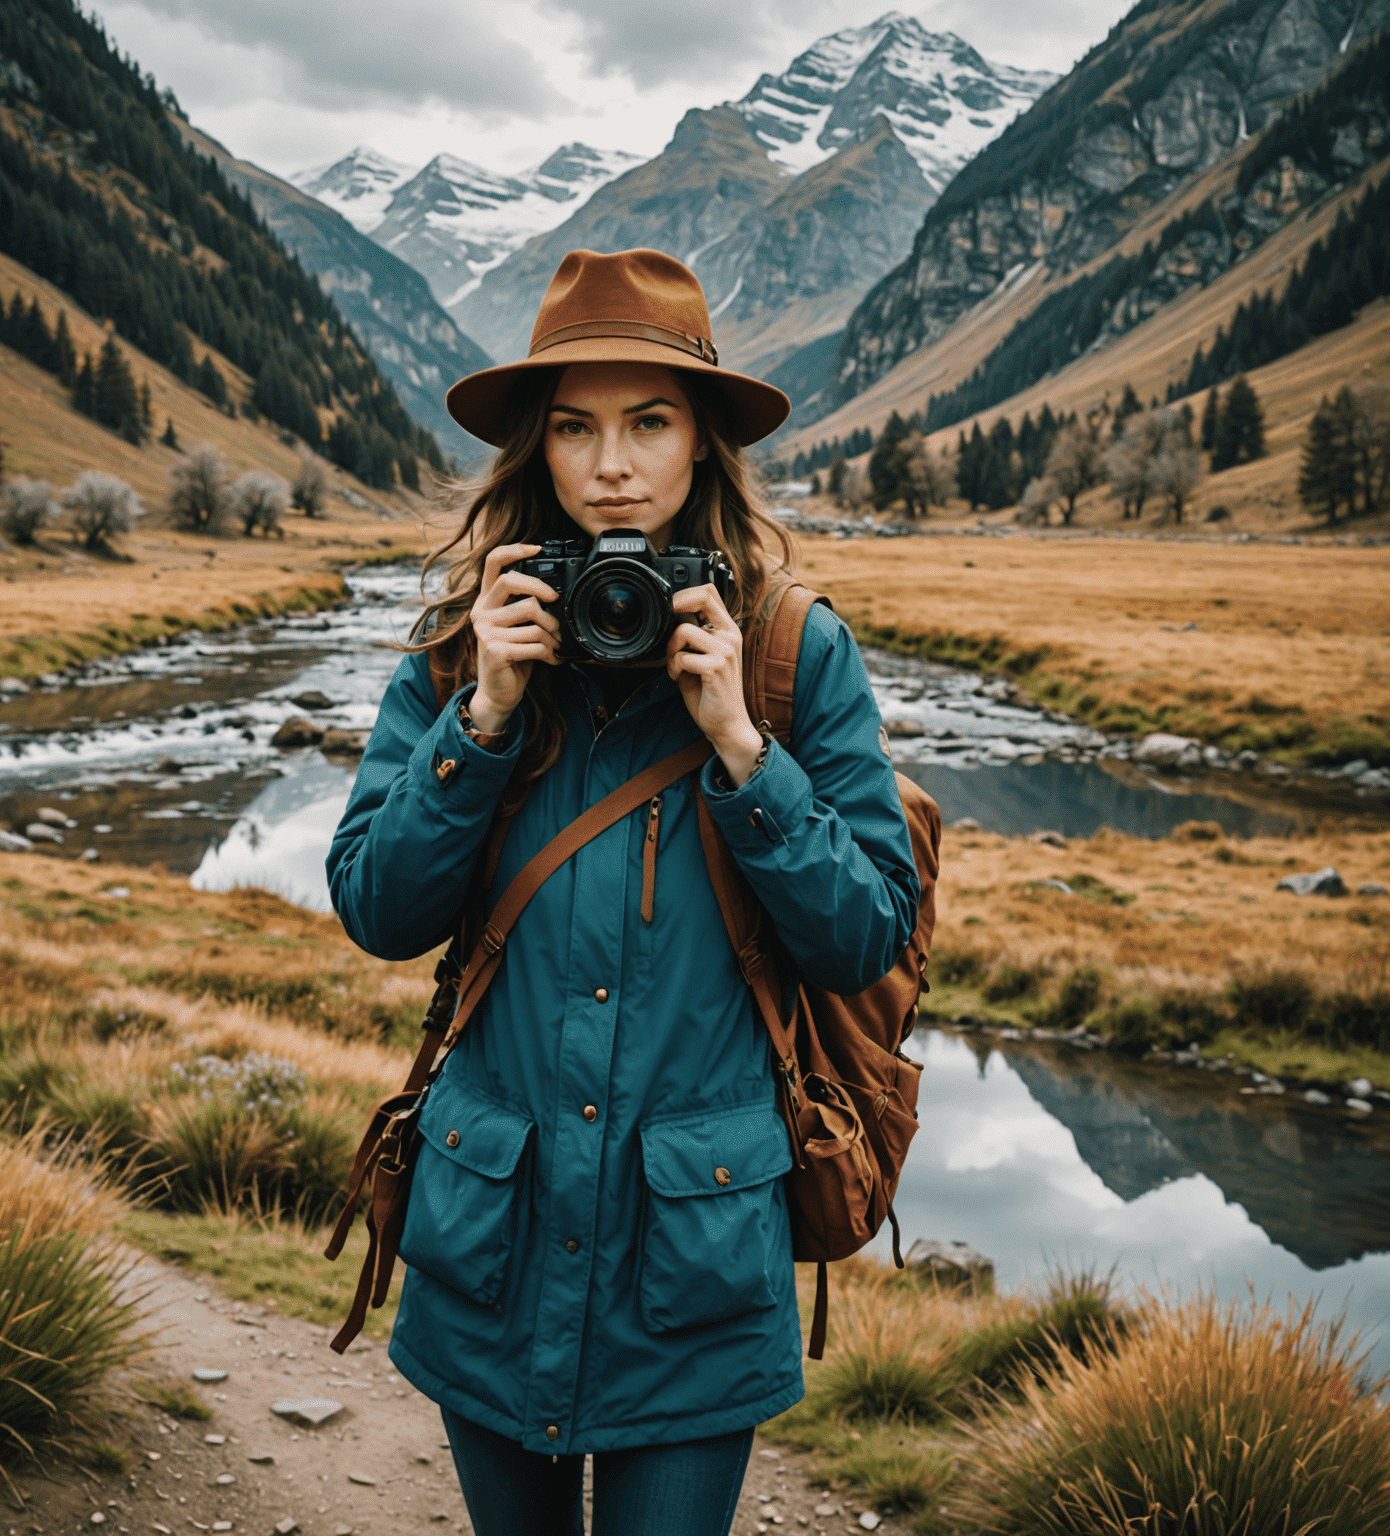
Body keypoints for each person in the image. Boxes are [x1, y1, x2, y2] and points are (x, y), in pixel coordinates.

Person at [326, 248, 919, 1536]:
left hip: (694, 1274)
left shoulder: (786, 652)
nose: (611, 466)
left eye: (649, 422)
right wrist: (481, 720)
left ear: (704, 444)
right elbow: (377, 908)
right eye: (574, 427)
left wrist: (746, 757)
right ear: (533, 452)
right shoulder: (460, 650)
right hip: (493, 1241)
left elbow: (870, 929)